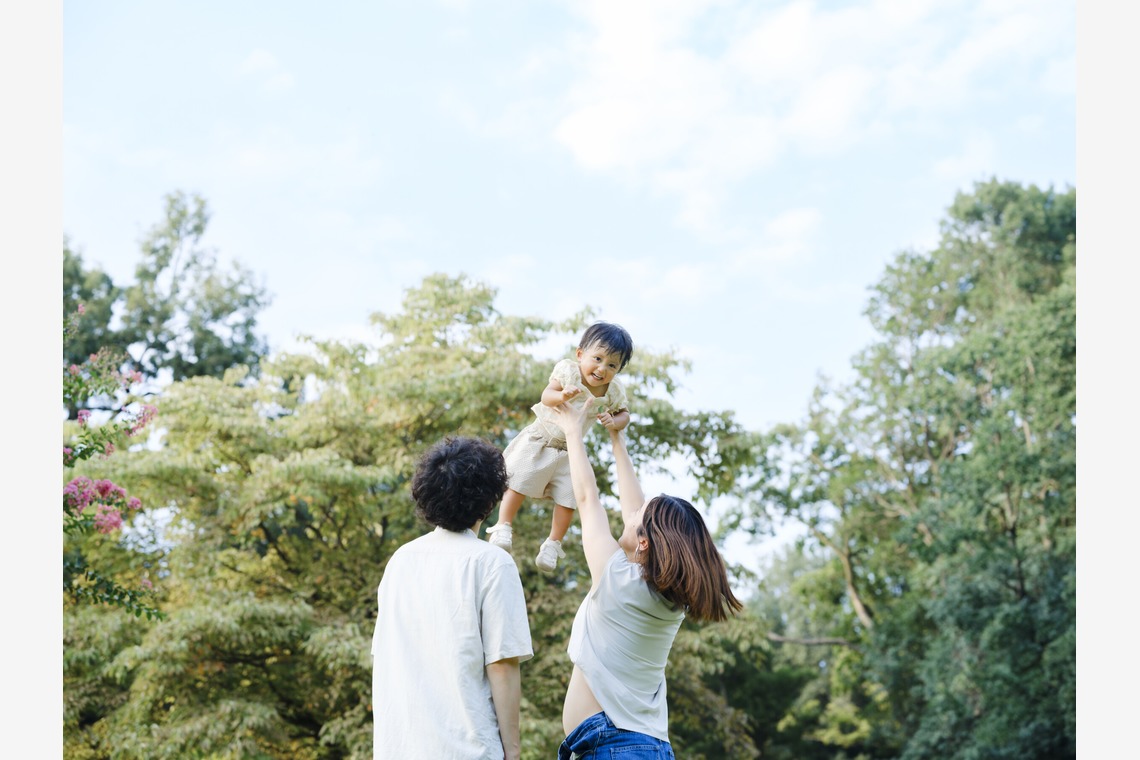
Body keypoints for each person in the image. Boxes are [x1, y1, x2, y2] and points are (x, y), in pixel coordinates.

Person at [547, 396, 743, 759]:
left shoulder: (618, 580)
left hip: (617, 747)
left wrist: (573, 431)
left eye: (638, 515)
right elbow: (632, 510)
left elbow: (587, 499)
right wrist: (616, 439)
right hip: (645, 744)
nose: (631, 512)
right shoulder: (670, 601)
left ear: (644, 541)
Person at [371, 436, 534, 760]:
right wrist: (513, 752)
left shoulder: (400, 560)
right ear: (489, 499)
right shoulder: (491, 562)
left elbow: (384, 658)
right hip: (468, 750)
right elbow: (501, 665)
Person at [485, 321, 633, 573]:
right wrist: (562, 395)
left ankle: (553, 544)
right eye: (597, 359)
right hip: (541, 438)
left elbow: (625, 415)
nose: (602, 369)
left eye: (612, 365)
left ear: (618, 370)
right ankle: (503, 525)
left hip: (570, 451)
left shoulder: (613, 391)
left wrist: (614, 421)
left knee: (568, 499)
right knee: (518, 481)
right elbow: (546, 396)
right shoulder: (569, 372)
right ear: (580, 354)